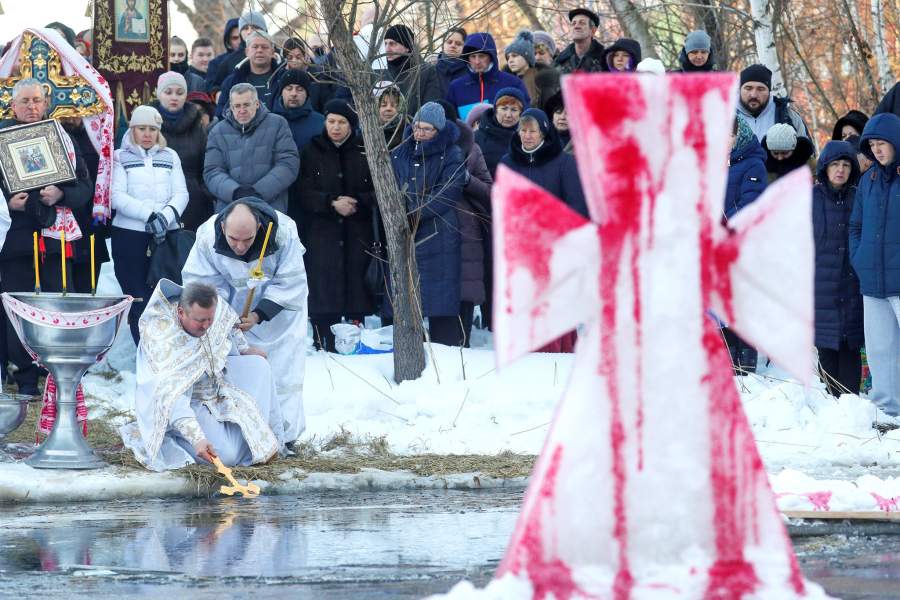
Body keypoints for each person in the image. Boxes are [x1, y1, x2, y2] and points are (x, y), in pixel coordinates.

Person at [119, 280, 285, 471]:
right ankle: (169, 436)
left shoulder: (213, 309)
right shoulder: (163, 340)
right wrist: (197, 439)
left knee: (258, 366)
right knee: (227, 457)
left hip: (215, 383)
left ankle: (257, 433)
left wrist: (244, 348)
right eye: (200, 321)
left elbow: (228, 323)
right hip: (186, 400)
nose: (206, 326)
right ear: (181, 312)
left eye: (209, 319)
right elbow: (173, 399)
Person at [182, 199, 309, 443]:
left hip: (279, 315)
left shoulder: (284, 232)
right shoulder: (207, 236)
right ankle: (249, 436)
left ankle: (285, 438)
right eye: (233, 239)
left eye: (247, 240)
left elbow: (291, 281)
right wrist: (226, 318)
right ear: (222, 229)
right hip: (232, 313)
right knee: (242, 374)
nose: (240, 247)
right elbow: (203, 284)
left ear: (259, 228)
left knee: (283, 375)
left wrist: (259, 314)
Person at [0, 79, 93, 394]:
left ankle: (56, 374)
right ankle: (25, 378)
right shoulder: (1, 138)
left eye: (37, 100)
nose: (31, 106)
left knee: (56, 305)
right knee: (17, 307)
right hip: (14, 239)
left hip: (54, 240)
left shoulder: (62, 138)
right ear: (13, 105)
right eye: (25, 101)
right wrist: (7, 203)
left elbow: (84, 186)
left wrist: (61, 194)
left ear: (46, 103)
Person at [297, 99, 376, 350]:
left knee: (356, 287)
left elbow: (378, 189)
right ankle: (323, 341)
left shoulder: (365, 150)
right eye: (331, 121)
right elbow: (302, 191)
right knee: (323, 287)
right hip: (322, 234)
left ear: (351, 125)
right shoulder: (311, 150)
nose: (336, 127)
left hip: (357, 232)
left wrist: (357, 202)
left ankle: (353, 339)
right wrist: (330, 202)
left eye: (342, 122)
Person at [111, 105, 189, 344]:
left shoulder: (170, 155)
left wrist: (165, 216)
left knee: (167, 296)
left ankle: (169, 349)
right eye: (142, 128)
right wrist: (149, 215)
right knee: (138, 298)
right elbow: (116, 195)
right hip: (130, 235)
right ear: (132, 129)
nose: (147, 134)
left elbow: (181, 193)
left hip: (166, 235)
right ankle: (143, 351)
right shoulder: (119, 156)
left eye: (152, 129)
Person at [390, 102, 466, 345]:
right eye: (416, 127)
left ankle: (446, 350)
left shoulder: (452, 154)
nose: (419, 133)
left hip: (439, 231)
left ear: (438, 130)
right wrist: (399, 213)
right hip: (405, 231)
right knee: (407, 295)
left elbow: (447, 192)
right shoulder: (400, 152)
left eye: (426, 129)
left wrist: (415, 212)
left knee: (440, 298)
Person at [849, 113, 900, 422]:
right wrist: (860, 258)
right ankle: (888, 411)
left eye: (883, 143)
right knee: (880, 350)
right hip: (872, 280)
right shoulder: (868, 180)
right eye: (872, 145)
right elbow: (856, 225)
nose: (877, 150)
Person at [436, 99, 492, 346]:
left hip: (465, 228)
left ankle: (462, 343)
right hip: (431, 226)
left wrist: (467, 180)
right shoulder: (418, 147)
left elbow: (490, 191)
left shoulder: (471, 148)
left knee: (464, 290)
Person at [813, 140, 863, 397]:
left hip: (853, 285)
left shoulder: (859, 197)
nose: (840, 170)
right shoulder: (810, 198)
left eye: (846, 165)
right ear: (826, 167)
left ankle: (852, 404)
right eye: (835, 164)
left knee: (850, 347)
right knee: (826, 347)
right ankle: (831, 405)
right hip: (821, 286)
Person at [204, 83, 299, 213]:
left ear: (257, 104)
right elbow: (212, 171)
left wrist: (258, 192)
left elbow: (288, 163)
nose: (242, 110)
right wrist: (235, 192)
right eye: (237, 106)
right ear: (231, 107)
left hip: (270, 207)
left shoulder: (278, 124)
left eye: (247, 105)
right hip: (229, 209)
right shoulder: (217, 132)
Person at [721, 115, 767, 373]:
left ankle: (747, 361)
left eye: (728, 134)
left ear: (739, 136)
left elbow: (750, 202)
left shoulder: (753, 163)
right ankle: (728, 355)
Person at [150, 72, 214, 231]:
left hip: (193, 201)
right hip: (155, 201)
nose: (174, 97)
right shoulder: (147, 123)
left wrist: (201, 192)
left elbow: (206, 165)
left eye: (179, 93)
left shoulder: (197, 124)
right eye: (168, 92)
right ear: (159, 94)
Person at [499, 108, 587, 217]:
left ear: (542, 133)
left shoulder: (565, 163)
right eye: (523, 130)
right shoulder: (507, 163)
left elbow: (577, 204)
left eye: (532, 131)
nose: (527, 136)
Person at [59, 115, 111, 294]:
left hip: (91, 228)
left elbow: (106, 180)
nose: (69, 116)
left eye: (74, 110)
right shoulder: (51, 136)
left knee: (87, 292)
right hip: (58, 226)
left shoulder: (96, 138)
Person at [446, 32, 530, 121]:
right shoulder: (456, 87)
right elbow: (451, 122)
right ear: (467, 59)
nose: (477, 62)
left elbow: (525, 117)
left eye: (481, 56)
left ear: (491, 56)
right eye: (473, 56)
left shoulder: (512, 83)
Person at [381, 23, 443, 117]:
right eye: (385, 44)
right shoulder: (380, 72)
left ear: (407, 47)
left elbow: (430, 111)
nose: (387, 49)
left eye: (392, 44)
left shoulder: (426, 72)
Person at [736, 64, 811, 141]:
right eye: (748, 88)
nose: (754, 95)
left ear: (769, 92)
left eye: (761, 89)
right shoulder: (728, 116)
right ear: (740, 90)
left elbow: (805, 147)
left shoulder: (788, 116)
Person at [215, 30, 280, 117]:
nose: (259, 50)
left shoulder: (282, 78)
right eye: (255, 47)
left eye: (264, 47)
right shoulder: (233, 81)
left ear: (272, 52)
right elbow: (221, 113)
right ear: (247, 52)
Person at [207, 11, 268, 94]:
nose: (249, 32)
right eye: (245, 28)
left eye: (255, 27)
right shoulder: (228, 62)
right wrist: (218, 95)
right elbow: (215, 88)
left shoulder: (278, 55)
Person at [271, 69, 325, 156]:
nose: (294, 94)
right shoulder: (269, 122)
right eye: (289, 89)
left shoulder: (321, 123)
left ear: (307, 94)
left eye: (300, 89)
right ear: (281, 93)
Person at [475, 87, 527, 177]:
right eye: (504, 108)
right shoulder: (477, 138)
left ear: (521, 113)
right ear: (495, 110)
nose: (508, 115)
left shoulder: (528, 138)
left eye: (514, 110)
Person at [503, 31, 555, 109]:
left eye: (541, 52)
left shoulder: (547, 80)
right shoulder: (506, 81)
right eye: (508, 58)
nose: (537, 57)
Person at [555, 7, 605, 74]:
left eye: (582, 23)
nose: (576, 26)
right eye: (573, 23)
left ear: (593, 31)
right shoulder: (559, 61)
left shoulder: (605, 60)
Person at [205, 17, 242, 92]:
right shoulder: (216, 63)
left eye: (242, 37)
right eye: (235, 38)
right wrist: (217, 94)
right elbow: (210, 89)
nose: (240, 41)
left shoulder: (259, 58)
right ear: (228, 40)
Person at [374, 81, 408, 149]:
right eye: (383, 105)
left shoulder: (406, 131)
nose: (388, 109)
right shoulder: (366, 132)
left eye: (393, 105)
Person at [435, 27, 467, 97]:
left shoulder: (470, 72)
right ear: (443, 45)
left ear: (464, 47)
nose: (453, 45)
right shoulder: (431, 70)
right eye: (449, 42)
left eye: (458, 44)